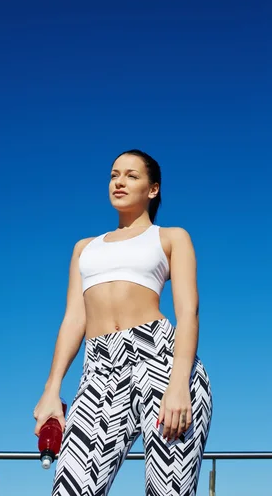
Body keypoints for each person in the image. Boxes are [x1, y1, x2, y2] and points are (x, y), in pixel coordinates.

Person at [33, 149, 213, 496]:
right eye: (115, 174)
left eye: (132, 175)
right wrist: (51, 389)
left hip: (161, 361)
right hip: (99, 369)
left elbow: (188, 313)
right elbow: (74, 317)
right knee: (71, 488)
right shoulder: (85, 248)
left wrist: (179, 384)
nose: (119, 181)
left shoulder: (171, 237)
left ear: (153, 189)